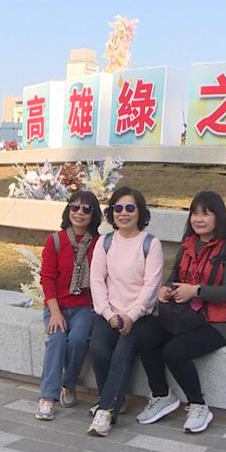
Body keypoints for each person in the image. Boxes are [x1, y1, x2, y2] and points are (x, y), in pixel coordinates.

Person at [134, 191, 226, 434]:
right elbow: (175, 278)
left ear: (219, 217)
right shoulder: (188, 245)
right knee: (144, 333)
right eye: (195, 213)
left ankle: (198, 405)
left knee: (174, 351)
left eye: (206, 214)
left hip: (218, 322)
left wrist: (195, 291)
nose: (199, 219)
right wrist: (167, 290)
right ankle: (162, 395)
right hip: (184, 316)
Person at [86, 187, 163, 437]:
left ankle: (106, 411)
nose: (123, 213)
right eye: (118, 208)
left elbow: (151, 286)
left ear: (140, 212)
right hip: (110, 313)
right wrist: (109, 314)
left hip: (140, 317)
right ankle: (114, 398)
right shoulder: (105, 242)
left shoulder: (151, 244)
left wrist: (131, 316)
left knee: (122, 353)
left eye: (130, 208)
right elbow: (97, 280)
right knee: (98, 348)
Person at [35, 191, 101, 421]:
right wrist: (54, 312)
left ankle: (69, 383)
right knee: (56, 339)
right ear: (68, 210)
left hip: (85, 307)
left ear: (94, 214)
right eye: (74, 207)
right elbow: (47, 277)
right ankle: (48, 397)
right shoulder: (55, 241)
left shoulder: (100, 244)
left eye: (86, 209)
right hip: (58, 306)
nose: (79, 213)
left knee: (79, 339)